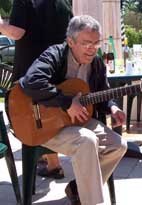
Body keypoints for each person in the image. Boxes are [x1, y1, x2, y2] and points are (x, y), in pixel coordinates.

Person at [18, 15, 127, 205]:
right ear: (70, 41)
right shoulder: (55, 55)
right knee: (87, 140)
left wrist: (113, 106)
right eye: (86, 43)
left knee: (118, 145)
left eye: (96, 43)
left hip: (76, 123)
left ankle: (78, 190)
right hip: (43, 124)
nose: (92, 48)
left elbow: (103, 92)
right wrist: (67, 103)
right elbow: (32, 81)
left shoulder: (96, 63)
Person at [0, 0, 73, 179]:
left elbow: (16, 32)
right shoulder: (64, 2)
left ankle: (43, 158)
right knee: (50, 117)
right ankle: (53, 164)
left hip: (31, 76)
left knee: (28, 122)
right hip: (58, 71)